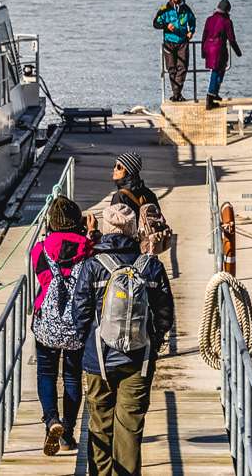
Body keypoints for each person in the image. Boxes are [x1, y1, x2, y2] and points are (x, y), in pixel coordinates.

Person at [71, 198, 174, 476]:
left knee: (100, 427)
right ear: (132, 231)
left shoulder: (92, 266)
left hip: (98, 361)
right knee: (129, 429)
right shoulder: (151, 267)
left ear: (105, 229)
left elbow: (79, 315)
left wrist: (84, 348)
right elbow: (165, 315)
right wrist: (155, 342)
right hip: (139, 360)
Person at [29, 195, 89, 456]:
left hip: (47, 326)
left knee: (46, 374)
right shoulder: (89, 249)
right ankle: (68, 432)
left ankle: (51, 421)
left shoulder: (39, 250)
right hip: (76, 325)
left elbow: (43, 279)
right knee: (72, 377)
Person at [152, 0, 196, 101]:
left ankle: (176, 94)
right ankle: (177, 94)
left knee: (183, 68)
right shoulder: (164, 9)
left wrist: (191, 31)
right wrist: (166, 26)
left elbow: (192, 21)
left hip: (182, 41)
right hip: (169, 43)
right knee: (171, 68)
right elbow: (155, 23)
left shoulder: (186, 9)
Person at [200, 0, 243, 110]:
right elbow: (232, 39)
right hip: (219, 50)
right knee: (216, 73)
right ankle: (209, 98)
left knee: (218, 71)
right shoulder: (227, 22)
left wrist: (202, 52)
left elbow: (204, 36)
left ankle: (214, 94)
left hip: (208, 48)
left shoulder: (209, 19)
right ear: (227, 11)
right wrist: (238, 52)